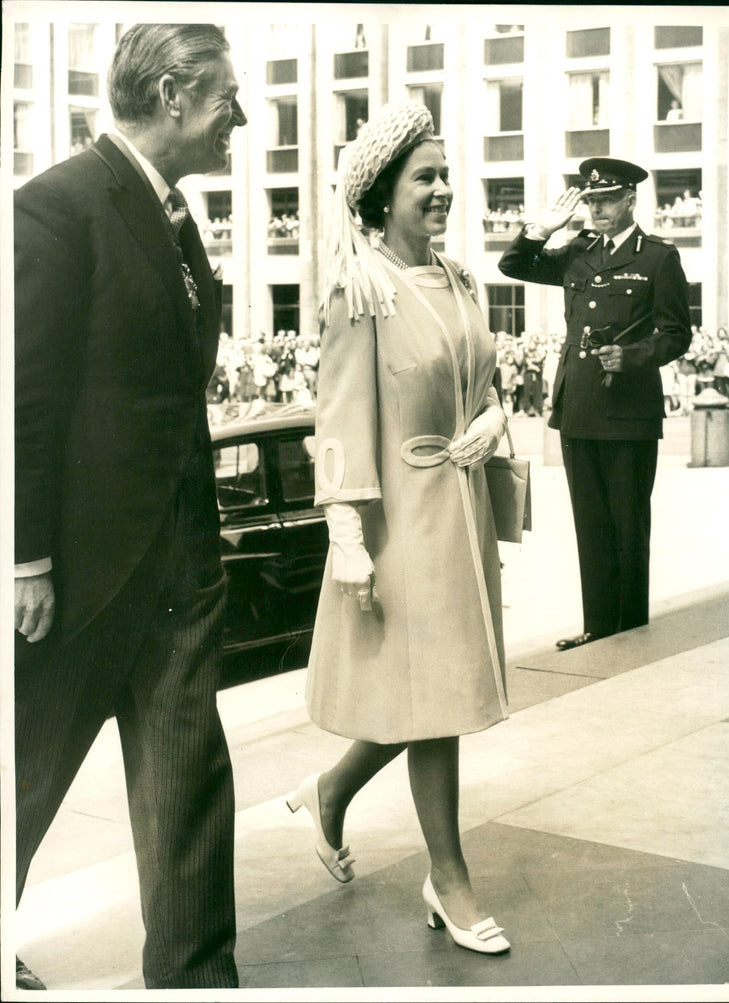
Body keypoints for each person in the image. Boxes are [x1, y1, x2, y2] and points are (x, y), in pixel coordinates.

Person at [14, 23, 247, 989]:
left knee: (189, 792)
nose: (241, 115)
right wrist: (25, 559)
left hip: (178, 567)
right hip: (76, 578)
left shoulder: (174, 217)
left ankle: (195, 981)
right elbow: (20, 395)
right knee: (19, 785)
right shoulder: (56, 208)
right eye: (229, 95)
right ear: (173, 98)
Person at [286, 102, 510, 955]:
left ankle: (331, 791)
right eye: (427, 177)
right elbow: (338, 415)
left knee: (432, 693)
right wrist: (345, 532)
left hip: (459, 512)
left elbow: (479, 378)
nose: (445, 190)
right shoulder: (359, 291)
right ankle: (447, 878)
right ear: (381, 196)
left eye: (447, 174)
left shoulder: (458, 281)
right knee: (438, 700)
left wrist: (491, 417)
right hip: (399, 527)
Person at [498, 157, 691, 650]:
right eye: (591, 201)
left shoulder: (658, 258)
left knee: (628, 524)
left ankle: (630, 628)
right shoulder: (578, 253)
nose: (598, 210)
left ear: (631, 199)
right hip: (579, 405)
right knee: (590, 522)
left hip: (628, 410)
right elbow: (513, 264)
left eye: (607, 200)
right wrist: (541, 228)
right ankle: (600, 627)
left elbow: (676, 336)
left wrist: (630, 357)